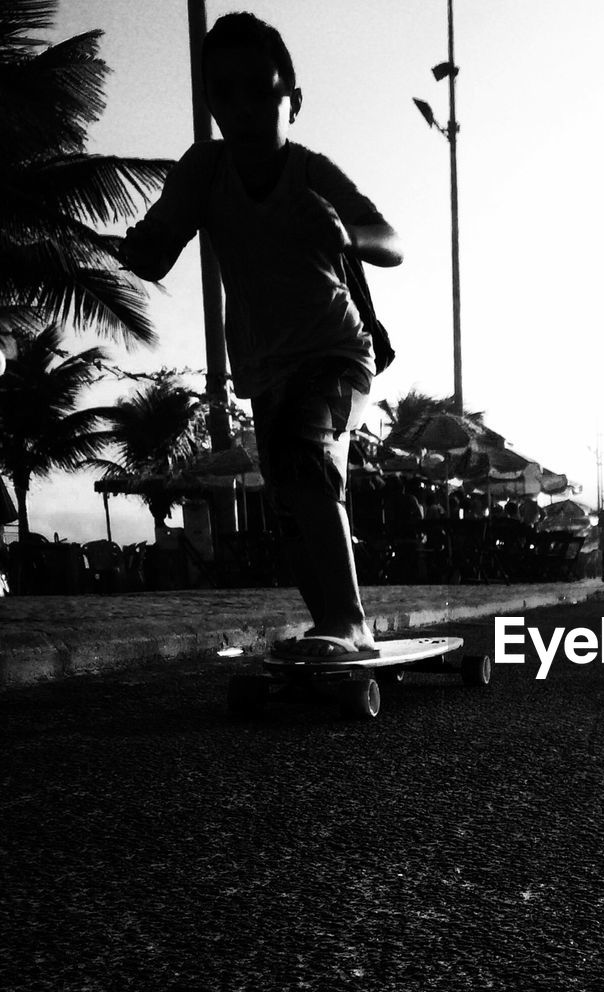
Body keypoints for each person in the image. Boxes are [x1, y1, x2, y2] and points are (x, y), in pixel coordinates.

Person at [120, 12, 402, 658]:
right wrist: (141, 249)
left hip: (338, 353)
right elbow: (160, 249)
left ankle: (351, 622)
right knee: (289, 510)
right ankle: (331, 623)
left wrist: (349, 235)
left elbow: (391, 242)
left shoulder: (310, 172)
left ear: (293, 101)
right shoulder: (202, 172)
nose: (243, 108)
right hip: (265, 369)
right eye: (225, 94)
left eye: (261, 90)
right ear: (210, 103)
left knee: (306, 456)